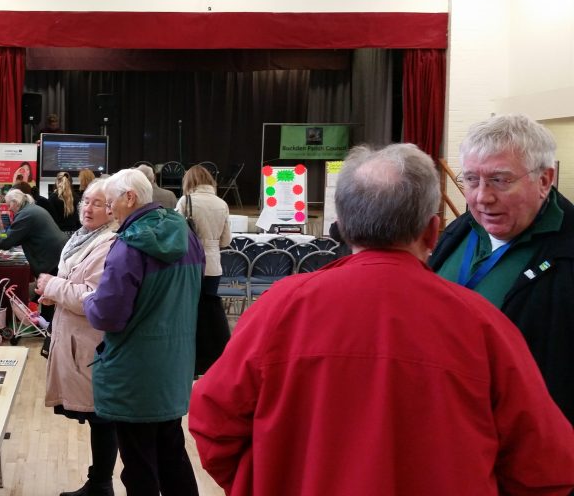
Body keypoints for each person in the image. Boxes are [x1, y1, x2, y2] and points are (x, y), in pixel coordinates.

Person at [189, 143, 574, 495]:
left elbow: (212, 423)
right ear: (432, 231)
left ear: (342, 226)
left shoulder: (279, 309)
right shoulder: (484, 325)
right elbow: (546, 467)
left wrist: (265, 480)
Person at [429, 113, 574, 424]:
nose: (482, 197)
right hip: (447, 423)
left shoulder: (567, 252)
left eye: (500, 180)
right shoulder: (459, 232)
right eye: (471, 179)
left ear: (545, 180)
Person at [83, 168, 204, 496]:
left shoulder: (128, 246)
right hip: (173, 367)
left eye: (111, 204)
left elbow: (108, 316)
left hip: (134, 373)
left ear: (130, 198)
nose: (109, 212)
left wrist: (88, 300)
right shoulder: (187, 236)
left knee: (139, 468)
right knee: (173, 457)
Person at [35, 178, 119, 496]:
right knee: (99, 418)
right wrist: (52, 293)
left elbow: (94, 298)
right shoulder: (82, 238)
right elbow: (72, 279)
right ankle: (98, 482)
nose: (88, 208)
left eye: (97, 203)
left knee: (103, 417)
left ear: (111, 209)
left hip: (91, 342)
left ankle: (101, 484)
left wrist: (54, 287)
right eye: (85, 201)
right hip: (75, 338)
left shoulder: (110, 243)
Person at [175, 164, 232, 376]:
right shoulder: (222, 203)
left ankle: (192, 360)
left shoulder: (186, 201)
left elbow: (177, 235)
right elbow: (226, 240)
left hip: (191, 264)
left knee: (190, 313)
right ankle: (216, 356)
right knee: (210, 310)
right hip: (214, 265)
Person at [0, 188, 67, 279]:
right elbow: (12, 236)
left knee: (48, 289)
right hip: (56, 255)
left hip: (50, 259)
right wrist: (3, 234)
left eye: (9, 205)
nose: (9, 208)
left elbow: (7, 240)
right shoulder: (31, 209)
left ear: (15, 202)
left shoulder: (25, 214)